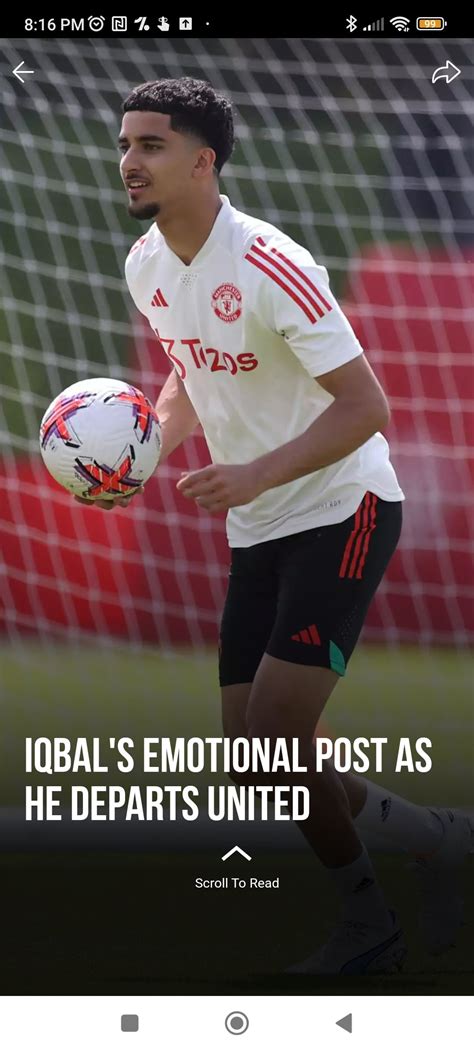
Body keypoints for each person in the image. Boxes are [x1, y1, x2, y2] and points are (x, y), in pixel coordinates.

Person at [81, 77, 470, 972]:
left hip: (345, 508)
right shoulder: (146, 263)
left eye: (151, 145)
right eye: (125, 144)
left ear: (204, 161)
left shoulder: (270, 263)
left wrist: (253, 471)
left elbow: (367, 407)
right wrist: (142, 448)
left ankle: (369, 924)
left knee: (277, 729)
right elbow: (187, 373)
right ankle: (437, 837)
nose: (130, 160)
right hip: (258, 526)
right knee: (258, 759)